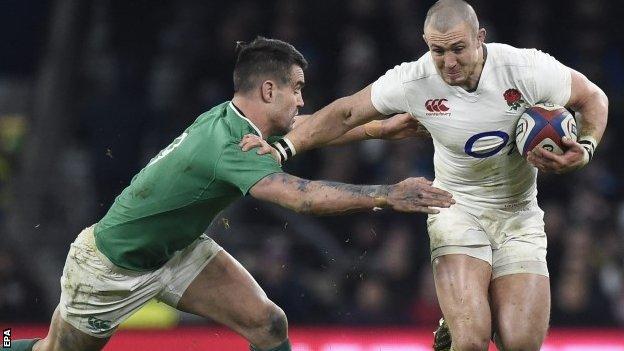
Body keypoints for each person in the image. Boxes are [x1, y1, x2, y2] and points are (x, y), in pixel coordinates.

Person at [12, 37, 454, 351]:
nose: (302, 100)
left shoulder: (235, 120)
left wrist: (379, 128)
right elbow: (300, 197)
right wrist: (388, 193)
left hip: (178, 251)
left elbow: (309, 127)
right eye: (297, 89)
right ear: (268, 89)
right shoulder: (229, 146)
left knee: (268, 324)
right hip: (111, 267)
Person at [250, 1, 608, 350]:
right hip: (456, 208)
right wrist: (286, 147)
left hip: (519, 215)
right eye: (438, 51)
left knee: (522, 343)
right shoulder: (415, 80)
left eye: (458, 49)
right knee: (471, 339)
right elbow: (346, 114)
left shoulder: (525, 68)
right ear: (426, 44)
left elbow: (593, 97)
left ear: (479, 37)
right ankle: (462, 319)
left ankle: (462, 314)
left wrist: (586, 148)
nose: (448, 62)